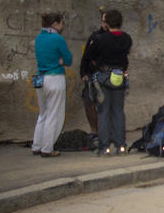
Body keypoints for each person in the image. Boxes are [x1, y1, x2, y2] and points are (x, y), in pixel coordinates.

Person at [85, 9, 133, 155]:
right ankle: (120, 145)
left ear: (107, 22)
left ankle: (104, 146)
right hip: (119, 77)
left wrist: (97, 64)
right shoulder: (127, 39)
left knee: (103, 111)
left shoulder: (101, 39)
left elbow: (89, 55)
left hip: (104, 77)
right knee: (118, 111)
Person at [32, 12, 72, 158]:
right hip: (54, 77)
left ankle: (37, 145)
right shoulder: (57, 38)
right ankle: (47, 149)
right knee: (54, 115)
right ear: (55, 24)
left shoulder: (38, 38)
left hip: (40, 77)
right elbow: (68, 59)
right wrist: (60, 61)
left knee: (43, 113)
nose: (63, 26)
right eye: (61, 23)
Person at [78, 9, 108, 138]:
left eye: (108, 21)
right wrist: (83, 73)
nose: (105, 24)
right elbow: (85, 57)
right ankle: (94, 132)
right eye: (103, 21)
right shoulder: (94, 37)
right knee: (89, 103)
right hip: (92, 76)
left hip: (108, 77)